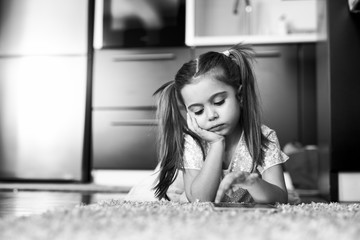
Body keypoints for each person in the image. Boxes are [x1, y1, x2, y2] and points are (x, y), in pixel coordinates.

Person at [130, 43, 288, 204]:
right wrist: (216, 144)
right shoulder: (192, 141)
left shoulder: (264, 137)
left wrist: (251, 182)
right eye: (198, 111)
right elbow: (200, 200)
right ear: (190, 114)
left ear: (240, 96)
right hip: (178, 186)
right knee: (167, 196)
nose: (211, 116)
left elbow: (281, 199)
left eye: (219, 102)